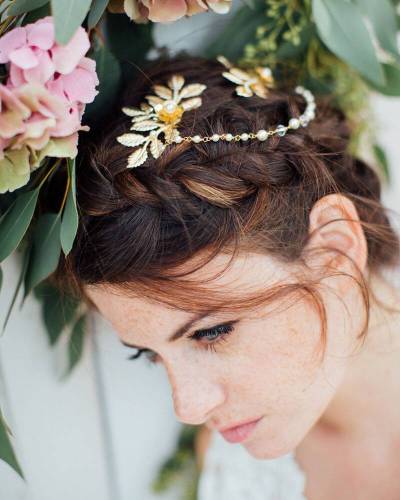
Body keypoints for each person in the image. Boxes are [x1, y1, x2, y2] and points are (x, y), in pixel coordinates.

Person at [51, 56, 400, 499]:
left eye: (213, 331)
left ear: (336, 249)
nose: (190, 409)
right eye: (149, 355)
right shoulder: (232, 460)